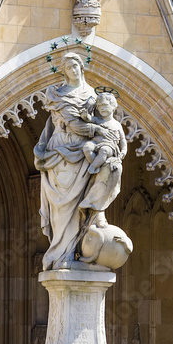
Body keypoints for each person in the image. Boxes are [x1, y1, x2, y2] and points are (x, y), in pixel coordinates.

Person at [33, 53, 124, 269]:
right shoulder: (55, 93)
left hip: (81, 154)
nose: (72, 70)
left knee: (76, 206)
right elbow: (62, 123)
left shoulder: (92, 96)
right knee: (59, 207)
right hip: (58, 150)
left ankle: (72, 251)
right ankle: (58, 252)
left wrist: (108, 144)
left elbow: (102, 124)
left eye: (75, 66)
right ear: (63, 71)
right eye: (68, 67)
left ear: (81, 68)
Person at [80, 92, 127, 174]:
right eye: (99, 106)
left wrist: (123, 151)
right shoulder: (98, 120)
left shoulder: (117, 124)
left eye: (104, 105)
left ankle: (93, 167)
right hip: (95, 142)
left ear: (113, 106)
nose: (101, 108)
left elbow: (123, 140)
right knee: (87, 147)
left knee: (104, 150)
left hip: (109, 145)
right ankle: (97, 165)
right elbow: (89, 119)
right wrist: (85, 116)